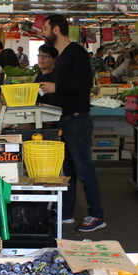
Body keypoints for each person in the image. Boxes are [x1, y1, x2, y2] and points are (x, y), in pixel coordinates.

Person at [39, 14, 105, 233]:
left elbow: (85, 82)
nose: (43, 32)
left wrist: (56, 87)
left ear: (56, 30)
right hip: (65, 121)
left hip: (77, 120)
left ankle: (96, 215)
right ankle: (65, 213)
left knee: (84, 169)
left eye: (45, 28)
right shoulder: (62, 55)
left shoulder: (75, 52)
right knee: (68, 170)